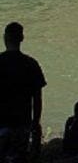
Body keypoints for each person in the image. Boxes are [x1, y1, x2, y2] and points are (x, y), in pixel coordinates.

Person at [0, 22, 46, 163]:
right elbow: (37, 99)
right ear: (22, 38)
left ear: (4, 38)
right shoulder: (31, 64)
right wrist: (35, 123)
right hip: (22, 124)